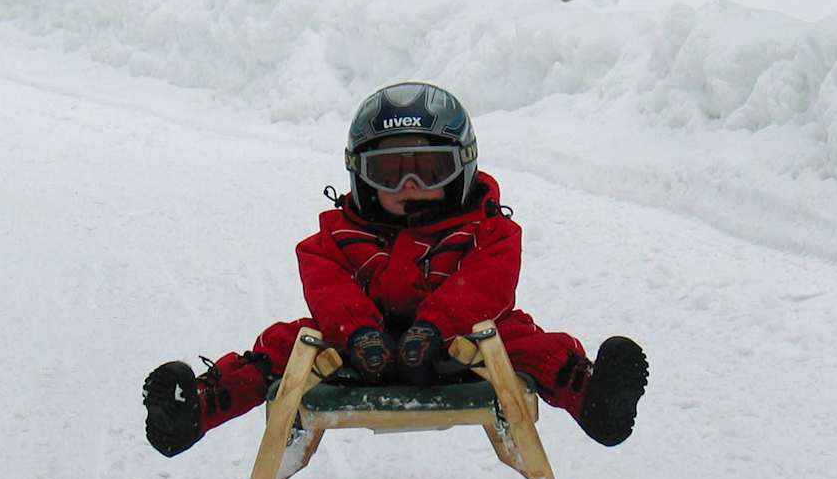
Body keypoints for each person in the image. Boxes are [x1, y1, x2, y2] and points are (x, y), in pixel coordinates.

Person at [143, 81, 648, 457]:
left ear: (461, 169)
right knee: (283, 343)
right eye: (389, 172)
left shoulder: (486, 230)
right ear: (360, 176)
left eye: (429, 171)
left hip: (465, 345)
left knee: (530, 343)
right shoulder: (338, 235)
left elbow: (488, 283)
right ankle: (195, 408)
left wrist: (437, 326)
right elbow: (328, 284)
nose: (409, 184)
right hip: (360, 349)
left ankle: (597, 400)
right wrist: (359, 331)